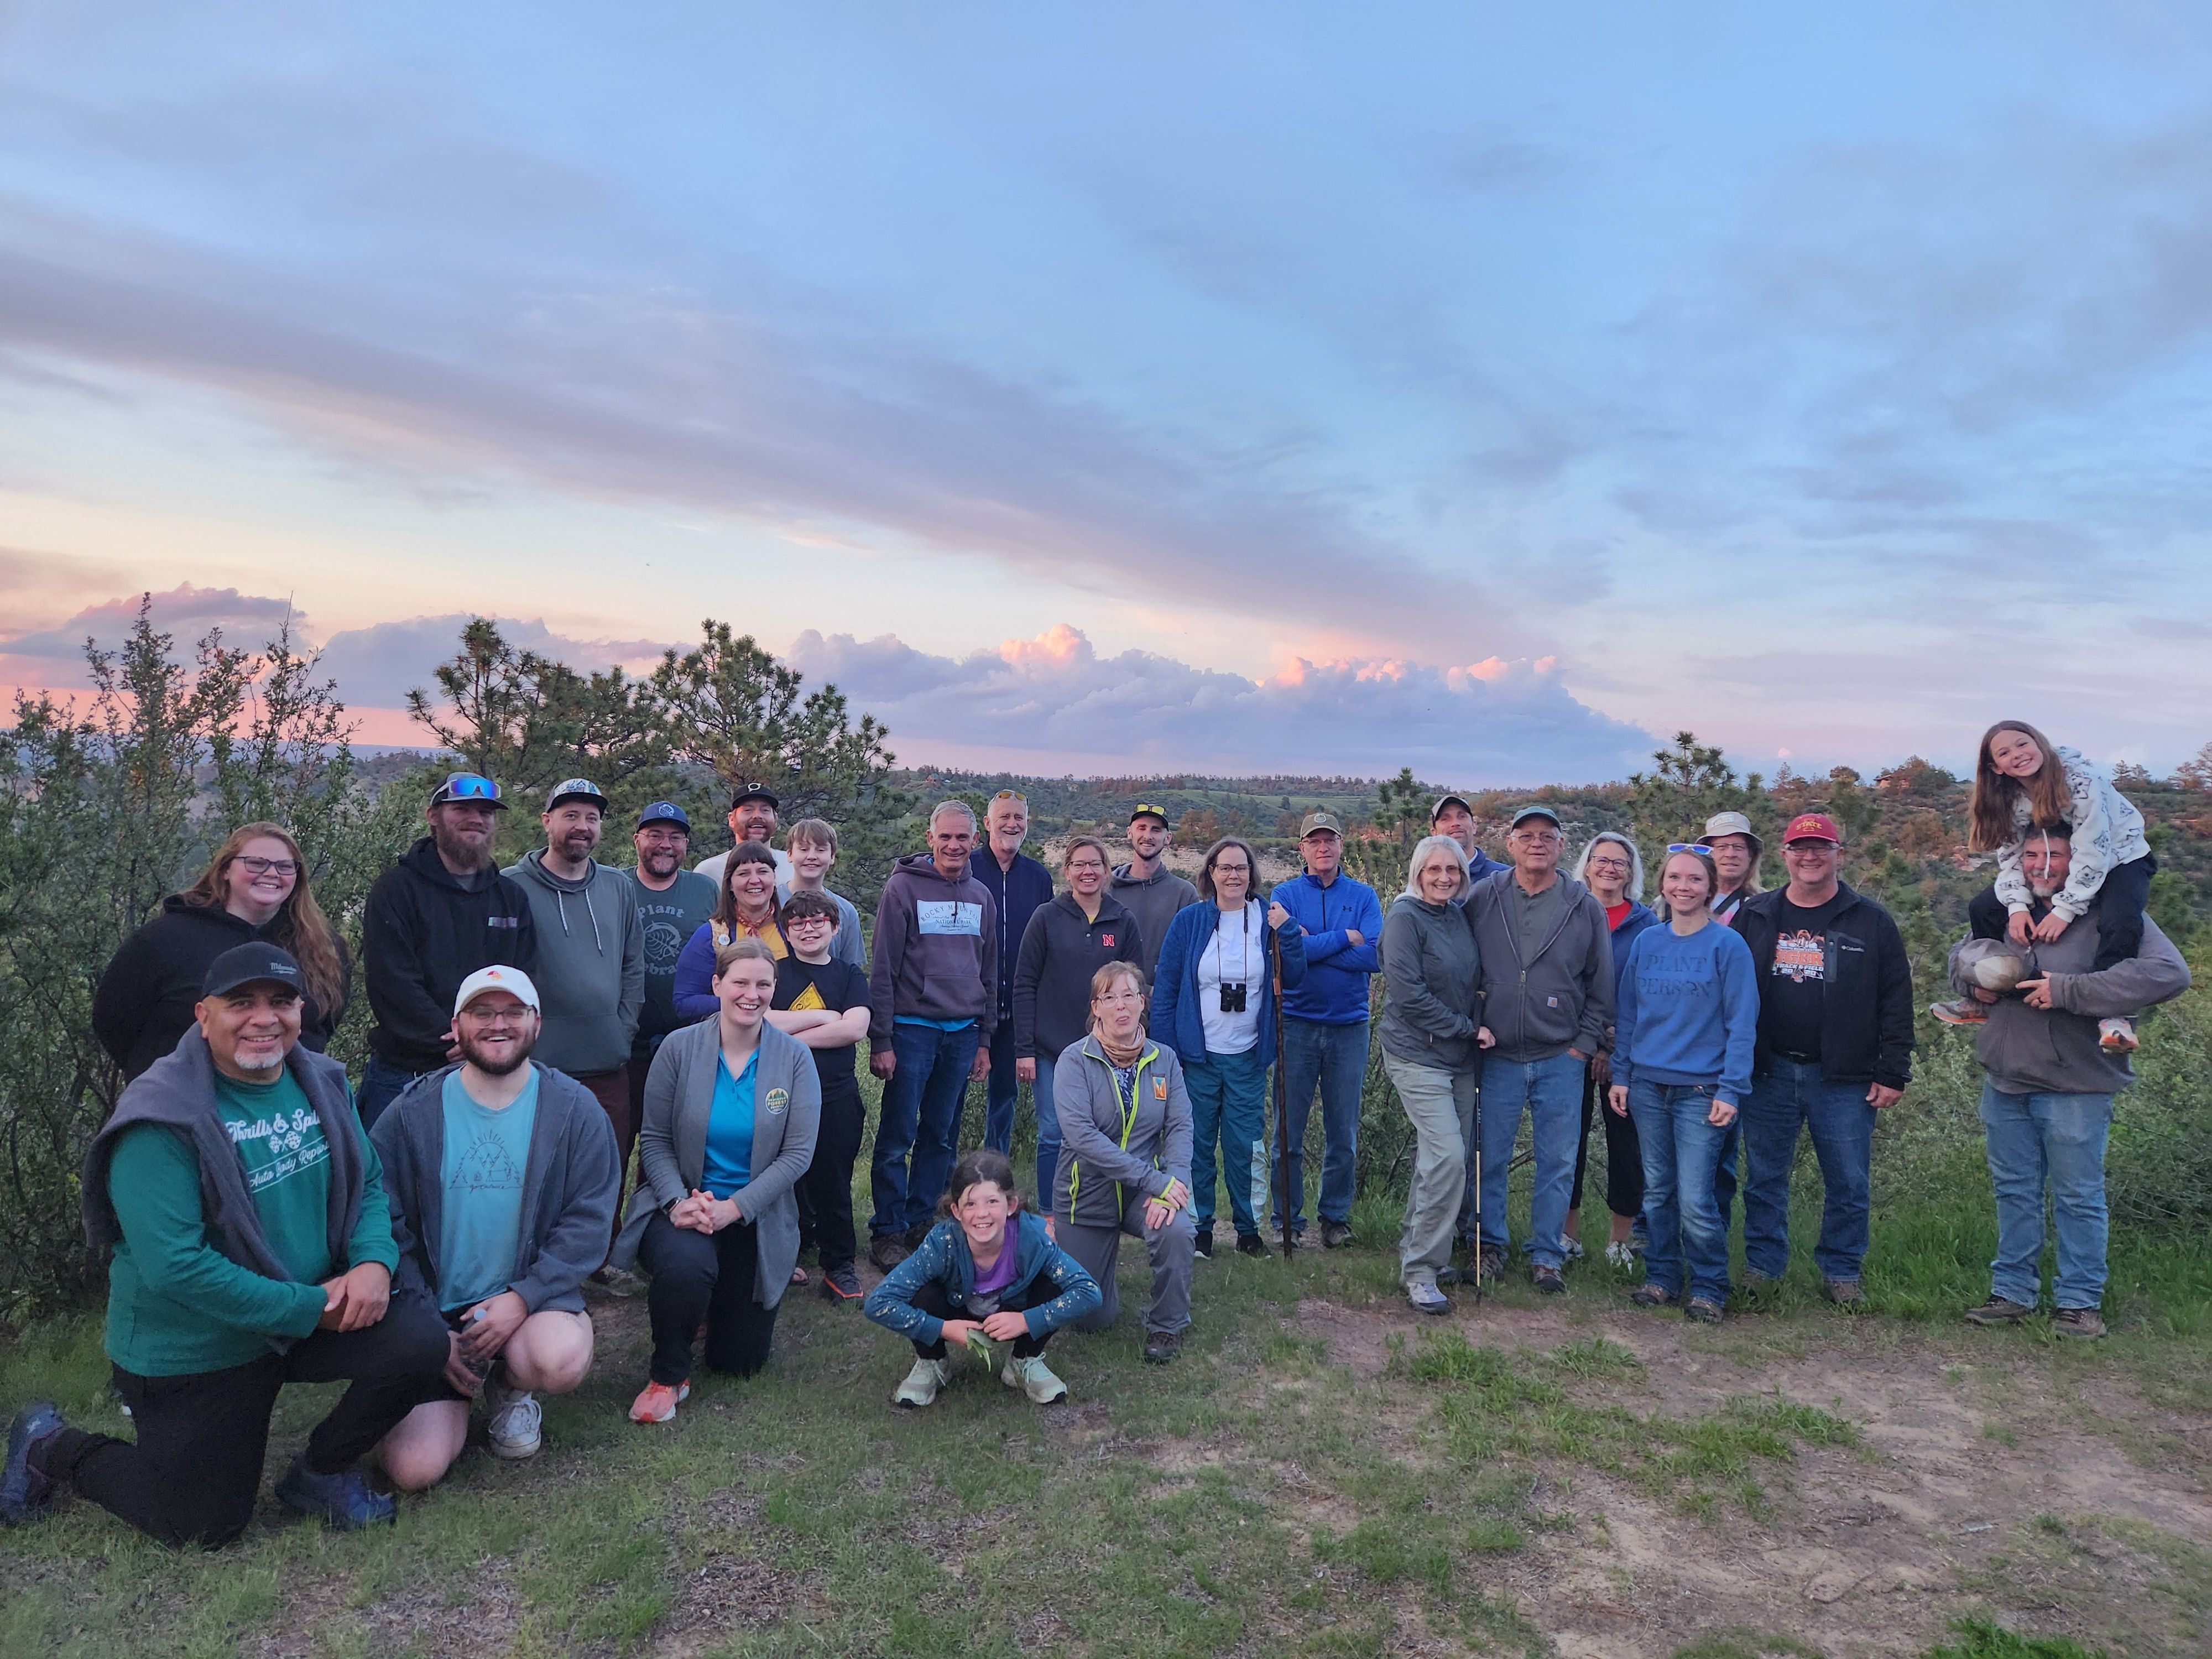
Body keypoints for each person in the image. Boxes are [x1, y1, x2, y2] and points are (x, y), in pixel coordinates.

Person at [3, 944, 448, 1543]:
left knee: (420, 1340)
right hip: (201, 1344)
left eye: (281, 1001)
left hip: (306, 1313)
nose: (265, 1018)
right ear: (203, 1015)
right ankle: (51, 1445)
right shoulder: (160, 1119)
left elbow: (367, 1180)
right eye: (242, 1002)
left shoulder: (321, 1078)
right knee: (200, 1525)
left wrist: (372, 1261)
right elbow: (176, 1268)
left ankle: (319, 1471)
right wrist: (309, 1308)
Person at [369, 967, 619, 1485]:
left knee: (559, 1358)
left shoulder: (575, 1110)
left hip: (528, 1304)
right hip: (435, 1309)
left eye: (513, 1012)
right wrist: (426, 1331)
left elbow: (589, 1222)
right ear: (457, 1026)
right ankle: (452, 1376)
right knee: (413, 1470)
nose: (498, 1024)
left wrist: (524, 1296)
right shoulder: (410, 1114)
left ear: (537, 1023)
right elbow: (381, 1220)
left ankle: (509, 1385)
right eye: (482, 1013)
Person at [1950, 829, 2189, 1339]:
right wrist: (1973, 982)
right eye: (2033, 855)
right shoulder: (2007, 908)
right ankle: (2012, 1293)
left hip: (2077, 1083)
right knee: (2015, 1192)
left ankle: (2080, 1304)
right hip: (2007, 1076)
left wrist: (2070, 991)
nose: (2042, 866)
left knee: (2078, 1197)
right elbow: (1963, 956)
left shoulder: (2113, 916)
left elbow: (2171, 974)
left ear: (2078, 862)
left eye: (2055, 855)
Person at [614, 940, 821, 1422]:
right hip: (686, 1204)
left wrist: (736, 1208)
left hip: (754, 1213)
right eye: (740, 983)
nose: (751, 994)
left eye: (763, 985)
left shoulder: (794, 1059)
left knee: (738, 1363)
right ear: (717, 986)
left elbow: (797, 1156)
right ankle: (668, 1374)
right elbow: (657, 1140)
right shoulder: (676, 1049)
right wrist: (676, 1201)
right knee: (687, 1266)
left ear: (775, 990)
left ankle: (714, 1306)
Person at [1733, 812, 1914, 1306]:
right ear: (1785, 855)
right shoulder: (1757, 913)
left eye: (1821, 847)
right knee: (1765, 1177)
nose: (1809, 856)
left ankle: (1842, 1271)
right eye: (1799, 847)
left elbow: (1897, 999)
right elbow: (1730, 987)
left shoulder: (1870, 919)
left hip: (1844, 1077)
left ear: (1840, 854)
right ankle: (1762, 1266)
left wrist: (1893, 1069)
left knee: (1848, 1180)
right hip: (1767, 1069)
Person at [1463, 804, 1614, 1293]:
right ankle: (1488, 1247)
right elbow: (1457, 962)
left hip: (1559, 1057)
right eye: (1526, 835)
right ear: (1509, 844)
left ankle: (1548, 1255)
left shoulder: (1583, 905)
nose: (1536, 844)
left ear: (1561, 846)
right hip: (1499, 1054)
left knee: (1558, 1162)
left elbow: (1602, 987)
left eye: (1547, 836)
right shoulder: (1484, 896)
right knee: (1489, 1158)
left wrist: (1583, 1047)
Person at [1937, 722, 2155, 1053]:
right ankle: (1986, 991)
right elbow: (2011, 855)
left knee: (2120, 920)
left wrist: (2066, 910)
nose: (2018, 755)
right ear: (1996, 767)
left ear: (2040, 744)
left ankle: (2113, 1016)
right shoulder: (2009, 797)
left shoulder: (2081, 783)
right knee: (1982, 908)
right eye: (2005, 753)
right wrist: (2018, 907)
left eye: (2023, 744)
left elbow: (2094, 851)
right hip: (2057, 857)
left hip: (2120, 856)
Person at [1609, 846, 1759, 1324]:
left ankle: (1711, 1285)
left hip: (1702, 1091)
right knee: (1657, 1191)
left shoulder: (1727, 946)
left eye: (1695, 879)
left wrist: (1731, 1089)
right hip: (1649, 1086)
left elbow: (1742, 1022)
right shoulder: (1648, 943)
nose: (1684, 887)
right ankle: (1662, 1277)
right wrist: (1622, 1074)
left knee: (1697, 1197)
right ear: (1662, 884)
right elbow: (1629, 1014)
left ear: (1710, 888)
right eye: (1675, 878)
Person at [95, 821, 352, 1082]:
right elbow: (112, 1021)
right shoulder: (163, 939)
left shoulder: (324, 946)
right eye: (256, 863)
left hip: (285, 1110)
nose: (272, 873)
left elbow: (325, 1021)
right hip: (181, 1103)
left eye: (285, 866)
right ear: (226, 869)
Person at [1149, 837, 1308, 1261]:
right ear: (1211, 874)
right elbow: (1166, 989)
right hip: (1196, 1056)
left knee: (1245, 1146)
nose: (1233, 875)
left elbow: (1294, 977)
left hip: (1248, 1056)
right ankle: (1198, 1228)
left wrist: (1289, 931)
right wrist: (1167, 1054)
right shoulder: (1190, 922)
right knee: (1196, 1145)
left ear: (1252, 874)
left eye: (1241, 868)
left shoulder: (1268, 919)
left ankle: (1247, 1228)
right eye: (1225, 868)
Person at [359, 773, 538, 1128]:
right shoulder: (396, 891)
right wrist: (461, 1038)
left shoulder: (510, 898)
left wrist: (483, 1039)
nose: (475, 819)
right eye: (462, 809)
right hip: (405, 1076)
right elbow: (393, 983)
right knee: (386, 1182)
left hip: (491, 1076)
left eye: (485, 812)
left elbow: (522, 981)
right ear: (434, 816)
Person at [863, 1149, 1102, 1408]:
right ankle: (933, 1362)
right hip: (956, 1314)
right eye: (970, 1204)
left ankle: (1024, 1360)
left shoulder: (1034, 1239)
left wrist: (1026, 1321)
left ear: (1010, 1206)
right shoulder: (942, 1243)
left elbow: (1089, 1292)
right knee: (921, 1291)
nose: (982, 1214)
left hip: (1013, 1314)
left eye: (992, 1202)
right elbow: (879, 1303)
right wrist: (942, 1329)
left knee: (1054, 1283)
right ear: (956, 1211)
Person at [866, 802, 998, 1270]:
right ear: (930, 838)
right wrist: (880, 1038)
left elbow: (990, 971)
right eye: (946, 837)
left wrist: (984, 1039)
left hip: (962, 1033)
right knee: (898, 1134)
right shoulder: (902, 889)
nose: (954, 846)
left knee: (940, 1136)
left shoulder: (982, 895)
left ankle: (923, 1219)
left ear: (974, 842)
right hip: (911, 1031)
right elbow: (882, 968)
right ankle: (888, 1229)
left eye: (963, 838)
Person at [1050, 962, 1196, 1364]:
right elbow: (1082, 1137)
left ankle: (1167, 1324)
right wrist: (1155, 1180)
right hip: (1087, 1193)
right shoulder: (1073, 1061)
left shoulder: (1164, 1060)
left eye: (1129, 995)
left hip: (1140, 1193)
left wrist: (1173, 1185)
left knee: (1178, 1228)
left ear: (1142, 1002)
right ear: (1096, 1007)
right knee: (1091, 1318)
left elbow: (1181, 1126)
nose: (1121, 1006)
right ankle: (1093, 1271)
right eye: (1109, 997)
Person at [503, 779, 645, 1187]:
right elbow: (500, 971)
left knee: (606, 1169)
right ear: (547, 821)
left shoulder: (618, 887)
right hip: (536, 1068)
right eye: (571, 816)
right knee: (539, 1174)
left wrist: (623, 1029)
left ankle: (606, 1252)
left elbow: (633, 965)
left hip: (607, 1064)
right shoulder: (513, 885)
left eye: (592, 818)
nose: (582, 826)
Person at [1268, 811, 1384, 1249]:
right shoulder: (1285, 894)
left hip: (1348, 1027)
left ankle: (1335, 1219)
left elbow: (1374, 956)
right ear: (1302, 848)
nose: (1322, 848)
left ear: (1341, 845)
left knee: (1343, 1134)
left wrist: (1311, 944)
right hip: (1296, 1024)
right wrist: (1342, 938)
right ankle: (1286, 1221)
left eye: (1329, 840)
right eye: (1313, 841)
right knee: (1288, 1133)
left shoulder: (1364, 896)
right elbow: (1286, 957)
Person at [1378, 836, 1481, 1314]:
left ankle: (1419, 1252)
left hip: (1458, 1058)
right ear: (1418, 873)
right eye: (1434, 870)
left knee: (1437, 1160)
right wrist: (1467, 1028)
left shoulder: (1456, 916)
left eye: (1453, 871)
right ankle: (1421, 1272)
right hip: (1417, 1054)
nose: (1444, 878)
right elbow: (1409, 995)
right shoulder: (1404, 919)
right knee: (1448, 1156)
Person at [1011, 836, 1146, 1202]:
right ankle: (1051, 1214)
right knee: (1053, 1134)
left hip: (1107, 1050)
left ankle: (1096, 1211)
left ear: (1106, 870)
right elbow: (1024, 983)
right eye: (1079, 864)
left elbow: (1136, 987)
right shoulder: (1046, 917)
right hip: (1051, 1049)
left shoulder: (1123, 920)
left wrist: (1134, 1044)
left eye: (1095, 864)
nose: (1087, 871)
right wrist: (1024, 1048)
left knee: (1104, 1133)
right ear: (1067, 870)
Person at [766, 890, 873, 1303]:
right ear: (787, 932)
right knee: (775, 1181)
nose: (808, 929)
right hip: (779, 1095)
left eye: (817, 922)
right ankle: (776, 1257)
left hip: (835, 1095)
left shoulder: (849, 975)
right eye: (798, 923)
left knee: (833, 1181)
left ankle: (839, 1264)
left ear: (835, 927)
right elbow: (761, 1020)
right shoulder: (774, 972)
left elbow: (854, 1029)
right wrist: (822, 1015)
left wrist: (793, 1036)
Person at [1567, 831, 1658, 1267]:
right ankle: (1567, 1237)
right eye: (1601, 860)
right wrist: (1590, 1044)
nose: (1609, 868)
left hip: (1627, 1055)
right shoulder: (1569, 914)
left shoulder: (1648, 925)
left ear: (1631, 872)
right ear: (1586, 866)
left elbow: (1650, 992)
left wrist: (1612, 1048)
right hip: (1571, 1049)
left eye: (1619, 862)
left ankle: (1619, 1243)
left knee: (1627, 1148)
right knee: (1569, 1145)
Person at [623, 800, 719, 1218]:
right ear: (637, 840)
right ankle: (601, 1251)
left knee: (665, 1153)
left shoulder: (704, 890)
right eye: (656, 835)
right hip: (625, 1044)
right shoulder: (616, 886)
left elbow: (722, 954)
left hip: (687, 1047)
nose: (666, 845)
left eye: (676, 837)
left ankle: (647, 1238)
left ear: (686, 845)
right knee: (614, 1146)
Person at [971, 790, 1054, 1159]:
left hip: (1018, 1005)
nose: (1011, 824)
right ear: (988, 823)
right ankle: (944, 1182)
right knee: (951, 1094)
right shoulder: (968, 868)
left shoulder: (1037, 877)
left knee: (1004, 1094)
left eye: (1018, 817)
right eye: (1004, 817)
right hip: (968, 1004)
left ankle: (995, 1170)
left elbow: (1048, 941)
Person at [673, 841, 787, 1022]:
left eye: (763, 871)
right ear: (730, 885)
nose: (755, 880)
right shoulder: (711, 935)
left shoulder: (792, 930)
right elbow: (684, 1002)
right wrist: (743, 1003)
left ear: (774, 879)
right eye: (744, 873)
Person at [1109, 802, 1199, 987]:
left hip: (1163, 1004)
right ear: (1129, 833)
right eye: (1141, 828)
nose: (1148, 836)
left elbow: (1191, 957)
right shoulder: (1106, 890)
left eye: (1156, 830)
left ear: (1168, 838)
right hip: (1113, 1003)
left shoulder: (1185, 894)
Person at [782, 817, 866, 972]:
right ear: (789, 854)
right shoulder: (771, 902)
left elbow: (852, 970)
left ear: (832, 856)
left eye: (821, 850)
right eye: (804, 849)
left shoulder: (846, 912)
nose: (812, 856)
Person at [693, 781, 794, 892]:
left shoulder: (793, 866)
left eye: (765, 810)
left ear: (775, 819)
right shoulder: (708, 872)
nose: (757, 816)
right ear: (731, 819)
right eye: (748, 810)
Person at [1430, 794, 1508, 891]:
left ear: (1474, 826)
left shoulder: (1504, 877)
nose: (1455, 823)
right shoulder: (1425, 882)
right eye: (1445, 819)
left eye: (1462, 816)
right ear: (1435, 833)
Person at [1702, 811, 1765, 928]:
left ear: (1750, 856)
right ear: (1708, 854)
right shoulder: (1681, 897)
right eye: (1722, 847)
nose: (1730, 854)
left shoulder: (1765, 903)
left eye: (1739, 847)